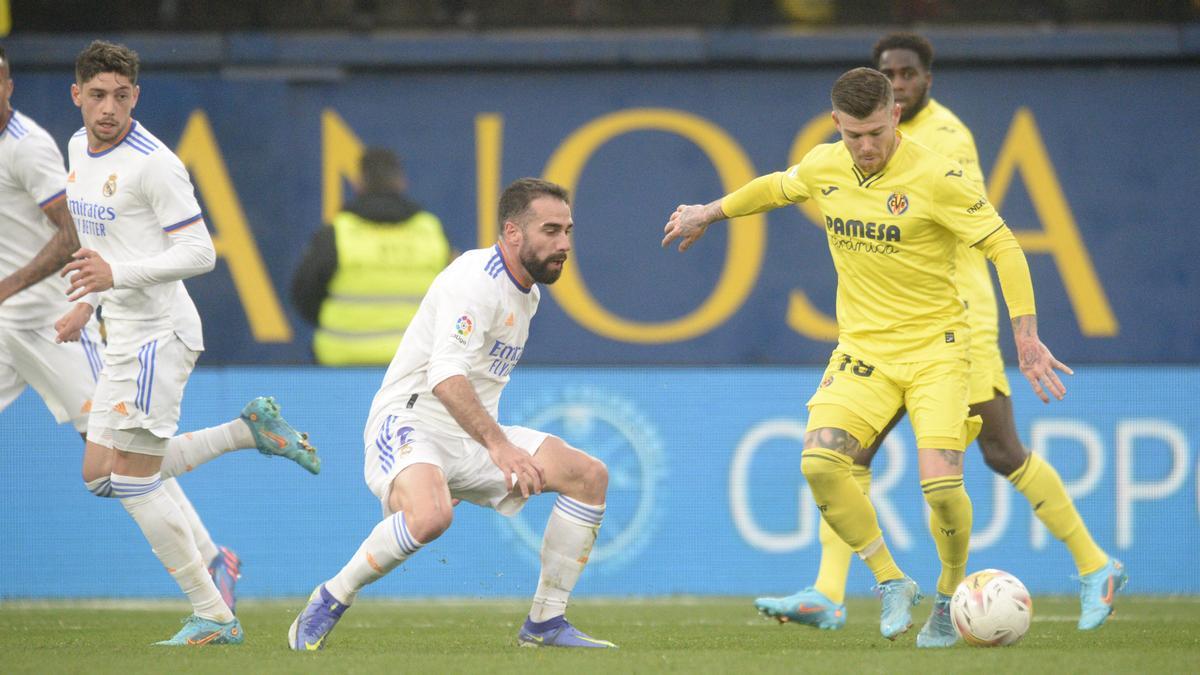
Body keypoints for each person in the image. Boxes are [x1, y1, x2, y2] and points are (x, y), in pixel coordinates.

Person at [663, 67, 1071, 644]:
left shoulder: (936, 175)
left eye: (877, 131)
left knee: (941, 490)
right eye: (854, 134)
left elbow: (1004, 244)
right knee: (819, 465)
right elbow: (778, 186)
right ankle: (890, 580)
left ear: (895, 117)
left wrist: (1026, 337)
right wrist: (710, 211)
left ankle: (950, 595)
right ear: (837, 125)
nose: (867, 146)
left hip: (937, 350)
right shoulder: (826, 165)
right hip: (864, 351)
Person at [752, 33, 1125, 640]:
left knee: (1000, 451)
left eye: (906, 74)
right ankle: (829, 590)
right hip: (890, 333)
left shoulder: (944, 141)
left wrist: (1019, 332)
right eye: (887, 73)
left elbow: (978, 230)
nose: (896, 82)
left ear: (924, 83)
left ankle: (1093, 564)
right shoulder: (852, 151)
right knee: (850, 456)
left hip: (957, 320)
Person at [0, 44, 321, 617]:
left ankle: (212, 612)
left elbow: (201, 253)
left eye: (121, 96)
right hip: (117, 329)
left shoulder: (155, 163)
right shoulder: (77, 147)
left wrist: (113, 274)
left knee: (131, 480)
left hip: (159, 336)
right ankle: (246, 433)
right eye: (97, 95)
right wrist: (86, 300)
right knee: (101, 477)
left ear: (136, 98)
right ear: (76, 95)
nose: (108, 108)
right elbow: (102, 240)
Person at [288, 178, 615, 651]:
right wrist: (498, 447)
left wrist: (471, 462)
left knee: (589, 476)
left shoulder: (529, 293)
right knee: (431, 517)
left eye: (568, 230)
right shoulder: (474, 282)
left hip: (469, 437)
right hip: (411, 418)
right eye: (551, 230)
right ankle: (330, 598)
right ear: (513, 232)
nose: (564, 243)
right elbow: (445, 376)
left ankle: (545, 622)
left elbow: (482, 382)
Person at [291, 147, 451, 366]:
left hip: (342, 365)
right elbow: (456, 295)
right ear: (401, 182)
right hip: (415, 365)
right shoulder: (431, 232)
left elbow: (304, 296)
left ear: (358, 183)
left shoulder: (337, 233)